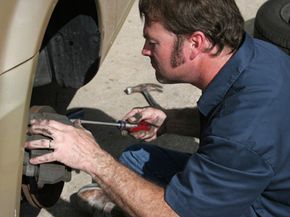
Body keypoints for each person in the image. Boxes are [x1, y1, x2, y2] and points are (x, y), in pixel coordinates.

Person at [25, 0, 290, 216]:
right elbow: (232, 121)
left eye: (153, 42)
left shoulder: (243, 132)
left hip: (267, 207)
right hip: (264, 178)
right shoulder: (259, 54)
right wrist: (170, 121)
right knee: (134, 159)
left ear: (195, 43)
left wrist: (92, 159)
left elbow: (177, 213)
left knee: (124, 179)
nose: (144, 50)